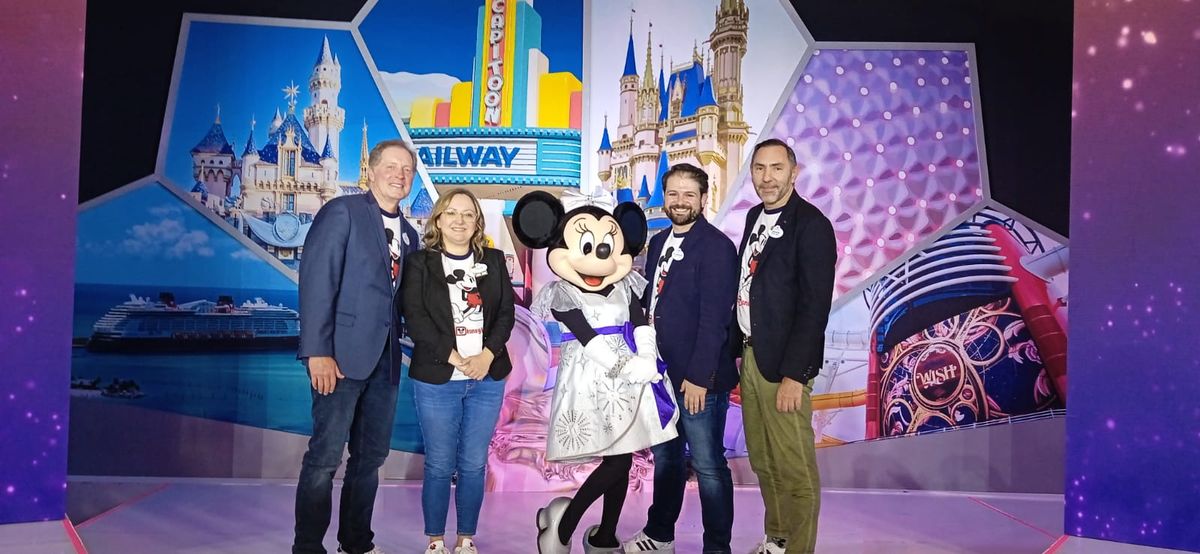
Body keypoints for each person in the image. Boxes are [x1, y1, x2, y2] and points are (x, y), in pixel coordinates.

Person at [512, 190, 679, 554]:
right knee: (618, 459)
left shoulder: (626, 284)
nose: (598, 257)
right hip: (590, 379)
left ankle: (604, 535)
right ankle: (564, 525)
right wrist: (627, 366)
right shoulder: (562, 293)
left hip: (630, 380)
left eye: (606, 247)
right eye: (588, 247)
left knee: (623, 455)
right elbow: (587, 338)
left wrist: (646, 356)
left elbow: (640, 321)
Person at [294, 139, 422, 554]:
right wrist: (317, 351)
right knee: (325, 458)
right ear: (371, 170)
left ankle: (356, 543)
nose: (400, 175)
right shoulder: (343, 212)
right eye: (392, 166)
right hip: (339, 358)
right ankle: (308, 547)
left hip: (386, 362)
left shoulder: (410, 234)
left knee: (370, 459)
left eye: (407, 169)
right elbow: (317, 281)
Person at [622, 163, 739, 554]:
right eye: (673, 193)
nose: (680, 201)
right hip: (662, 376)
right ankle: (660, 535)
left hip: (697, 380)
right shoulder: (658, 243)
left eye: (689, 194)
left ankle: (717, 547)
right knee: (667, 457)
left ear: (704, 199)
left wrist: (700, 377)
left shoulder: (717, 247)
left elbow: (715, 319)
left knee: (707, 466)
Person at [729, 139, 836, 554]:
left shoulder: (811, 225)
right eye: (759, 168)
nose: (767, 177)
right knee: (763, 460)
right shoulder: (754, 216)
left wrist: (795, 374)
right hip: (752, 356)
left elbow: (814, 306)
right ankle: (777, 539)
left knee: (794, 468)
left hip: (785, 366)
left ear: (794, 172)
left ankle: (798, 549)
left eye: (776, 168)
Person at [401, 189, 515, 554]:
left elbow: (506, 314)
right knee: (438, 464)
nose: (459, 221)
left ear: (477, 222)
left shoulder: (493, 260)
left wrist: (486, 356)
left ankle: (466, 539)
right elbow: (415, 318)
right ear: (438, 219)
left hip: (487, 379)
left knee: (473, 464)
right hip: (438, 379)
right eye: (451, 213)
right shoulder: (420, 263)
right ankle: (435, 540)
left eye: (468, 214)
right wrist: (454, 357)